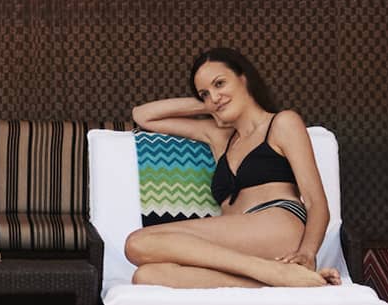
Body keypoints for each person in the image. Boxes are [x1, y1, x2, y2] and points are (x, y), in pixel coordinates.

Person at [128, 47, 342, 290]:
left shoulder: (282, 123)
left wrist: (307, 253)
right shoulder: (220, 137)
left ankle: (276, 272)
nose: (214, 97)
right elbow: (143, 116)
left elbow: (316, 202)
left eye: (220, 84)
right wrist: (207, 106)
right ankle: (275, 279)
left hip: (277, 224)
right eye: (204, 93)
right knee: (148, 275)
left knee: (138, 243)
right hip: (243, 247)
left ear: (244, 78)